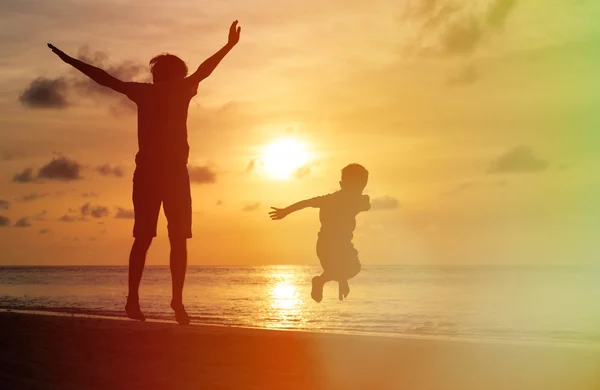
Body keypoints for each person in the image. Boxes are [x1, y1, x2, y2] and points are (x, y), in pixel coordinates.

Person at [47, 21, 242, 325]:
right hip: (154, 173)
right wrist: (229, 46)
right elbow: (106, 79)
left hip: (172, 173)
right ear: (163, 76)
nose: (160, 78)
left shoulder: (167, 90)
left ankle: (170, 300)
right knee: (149, 238)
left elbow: (107, 79)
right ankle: (138, 301)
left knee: (170, 239)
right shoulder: (155, 91)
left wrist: (229, 46)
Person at [269, 164, 370, 302]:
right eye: (357, 188)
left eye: (361, 188)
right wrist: (285, 211)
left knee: (352, 268)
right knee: (348, 268)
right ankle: (320, 281)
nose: (359, 192)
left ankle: (338, 280)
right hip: (329, 247)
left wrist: (285, 211)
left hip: (335, 246)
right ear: (341, 184)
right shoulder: (343, 200)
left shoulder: (331, 200)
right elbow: (306, 203)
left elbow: (307, 203)